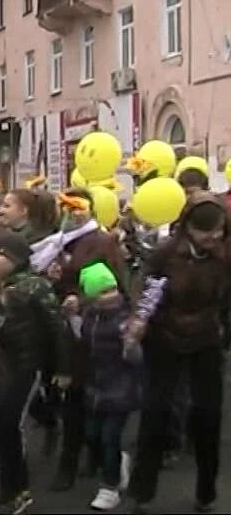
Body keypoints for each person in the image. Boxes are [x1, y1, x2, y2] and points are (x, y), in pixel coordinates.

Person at [126, 191, 230, 513]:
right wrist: (141, 319)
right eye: (206, 231)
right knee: (155, 413)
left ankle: (206, 492)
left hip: (206, 339)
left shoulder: (225, 255)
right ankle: (142, 493)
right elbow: (152, 289)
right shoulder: (167, 253)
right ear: (188, 227)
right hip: (165, 337)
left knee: (208, 416)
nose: (213, 237)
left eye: (219, 230)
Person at [31, 188, 127, 492]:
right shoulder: (54, 242)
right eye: (66, 208)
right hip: (60, 332)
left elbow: (114, 288)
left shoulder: (101, 242)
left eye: (78, 208)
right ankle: (77, 460)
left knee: (84, 399)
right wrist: (52, 280)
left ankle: (85, 460)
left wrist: (81, 301)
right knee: (69, 399)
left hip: (92, 334)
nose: (72, 214)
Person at [0, 230, 69, 512]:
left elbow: (57, 326)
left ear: (16, 258)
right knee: (4, 421)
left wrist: (63, 367)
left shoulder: (35, 286)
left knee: (10, 424)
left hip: (26, 364)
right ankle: (11, 481)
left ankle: (18, 490)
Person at [77, 262, 142, 511]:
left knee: (109, 437)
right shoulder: (89, 316)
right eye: (101, 292)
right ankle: (117, 463)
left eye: (111, 289)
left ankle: (110, 486)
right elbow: (82, 340)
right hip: (95, 387)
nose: (109, 296)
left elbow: (138, 359)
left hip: (120, 388)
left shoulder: (126, 319)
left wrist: (132, 345)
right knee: (93, 434)